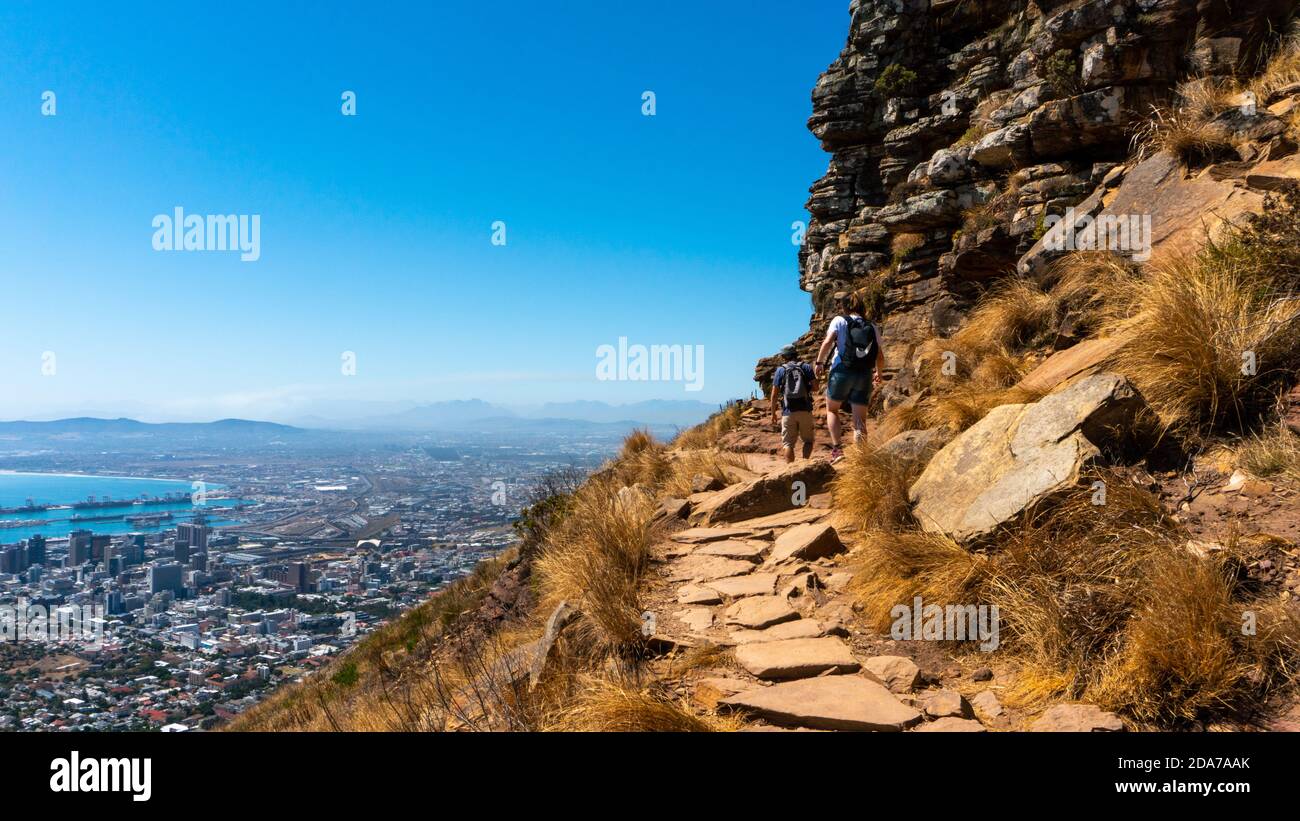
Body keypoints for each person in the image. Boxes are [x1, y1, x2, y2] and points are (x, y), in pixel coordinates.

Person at [813, 292, 886, 461]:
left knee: (832, 409)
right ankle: (862, 457)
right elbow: (880, 356)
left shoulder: (839, 321)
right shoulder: (872, 326)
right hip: (864, 374)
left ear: (844, 307)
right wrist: (879, 373)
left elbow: (828, 342)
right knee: (860, 420)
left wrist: (819, 363)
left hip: (842, 371)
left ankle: (837, 450)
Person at [769, 345, 816, 462]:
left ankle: (791, 470)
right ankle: (805, 465)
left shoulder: (781, 370)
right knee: (808, 441)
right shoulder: (806, 367)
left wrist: (773, 413)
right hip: (805, 410)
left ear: (784, 356)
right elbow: (816, 387)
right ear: (796, 353)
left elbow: (774, 395)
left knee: (788, 444)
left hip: (788, 411)